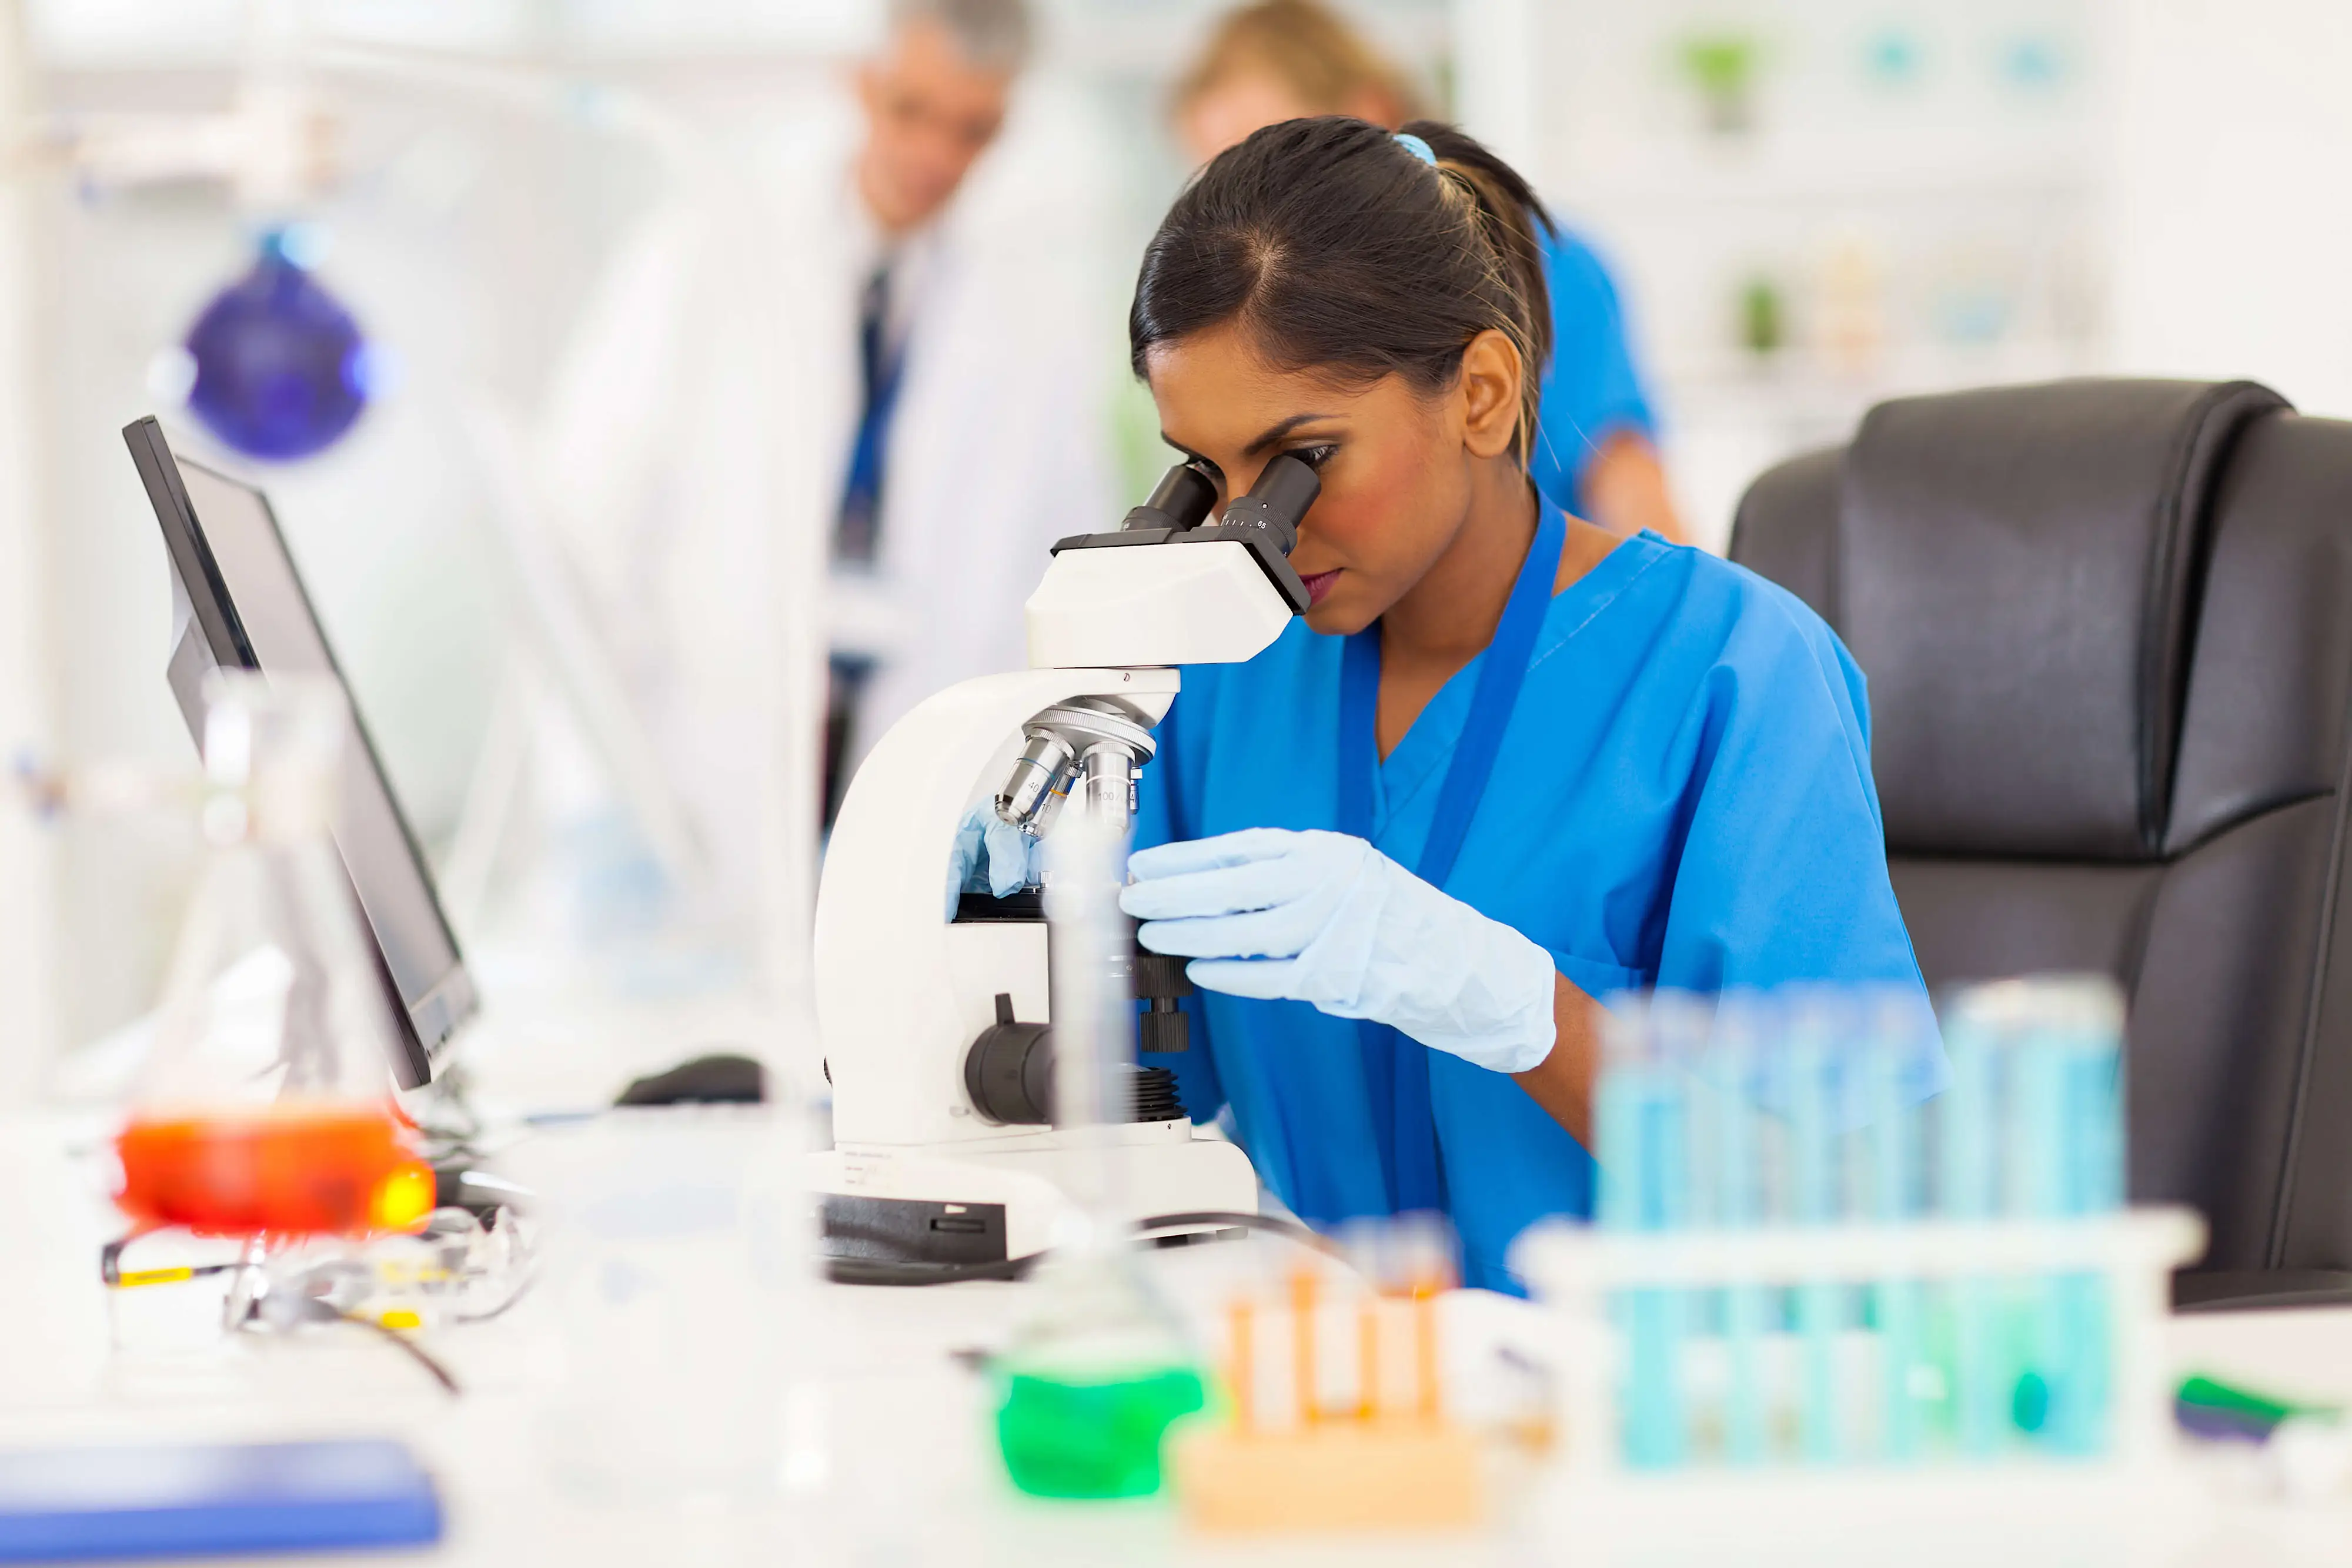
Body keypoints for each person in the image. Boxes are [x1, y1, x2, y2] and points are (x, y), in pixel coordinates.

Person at [1102, 119, 1933, 1292]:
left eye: (1300, 458)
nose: (1258, 532)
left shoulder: (1730, 674)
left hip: (1636, 1417)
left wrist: (1521, 1005)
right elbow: (1116, 1102)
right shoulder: (1225, 678)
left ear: (1481, 395)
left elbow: (1852, 1204)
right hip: (1335, 1406)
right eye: (1210, 474)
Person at [1170, 0, 1685, 545]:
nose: (1248, 213)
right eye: (1220, 180)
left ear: (1370, 115)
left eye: (1271, 165)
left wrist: (1673, 615)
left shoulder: (1546, 269)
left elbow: (1627, 475)